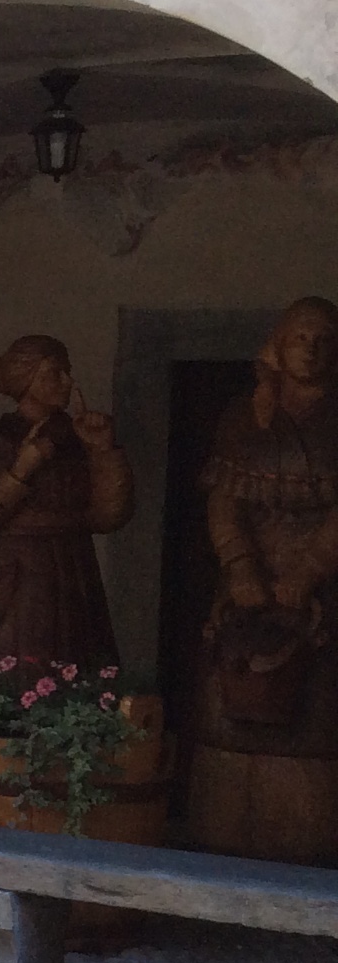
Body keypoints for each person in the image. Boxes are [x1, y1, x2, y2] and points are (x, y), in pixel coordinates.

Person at [190, 295, 338, 862]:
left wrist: (309, 570)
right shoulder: (242, 417)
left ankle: (308, 840)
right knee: (229, 700)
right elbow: (224, 502)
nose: (311, 349)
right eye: (300, 337)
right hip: (247, 586)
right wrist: (239, 568)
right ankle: (221, 830)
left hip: (322, 587)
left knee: (317, 711)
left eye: (324, 339)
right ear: (279, 344)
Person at [0, 335, 133, 693]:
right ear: (26, 380)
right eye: (55, 373)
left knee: (75, 678)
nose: (67, 381)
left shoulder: (75, 439)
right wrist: (21, 470)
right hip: (12, 580)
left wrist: (103, 453)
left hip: (71, 576)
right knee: (13, 679)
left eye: (67, 372)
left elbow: (106, 517)